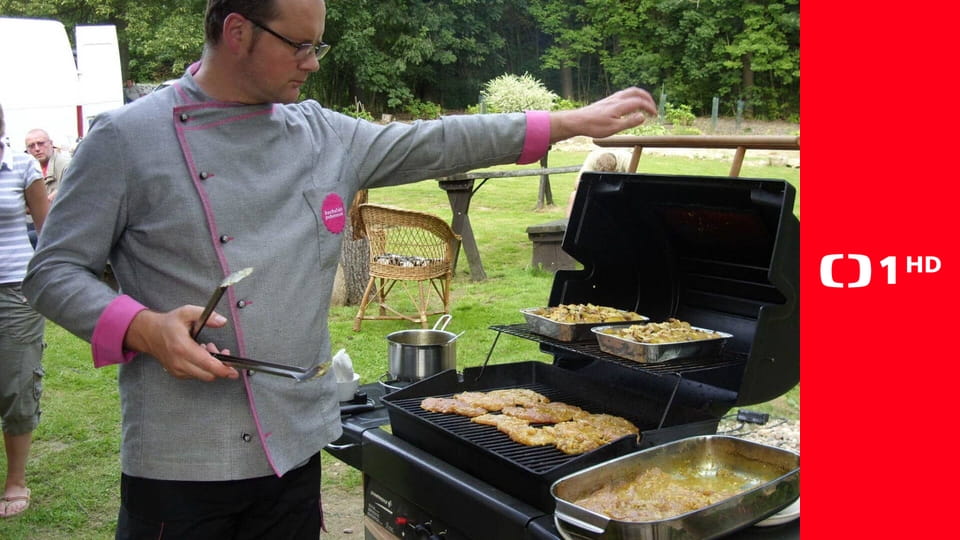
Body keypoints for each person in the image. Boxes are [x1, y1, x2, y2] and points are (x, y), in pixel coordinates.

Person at [23, 0, 657, 537]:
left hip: (295, 447)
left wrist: (568, 122)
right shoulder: (128, 138)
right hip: (183, 460)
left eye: (318, 46)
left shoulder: (320, 133)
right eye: (301, 46)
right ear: (238, 32)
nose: (312, 62)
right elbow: (53, 272)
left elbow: (437, 140)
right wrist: (142, 328)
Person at [0, 102, 50, 519]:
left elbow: (48, 231)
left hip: (14, 290)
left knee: (15, 386)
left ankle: (15, 480)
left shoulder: (21, 167)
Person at [566, 148, 633, 216]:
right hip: (597, 190)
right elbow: (577, 184)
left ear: (615, 168)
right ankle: (568, 223)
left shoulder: (627, 158)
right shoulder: (592, 157)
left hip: (619, 191)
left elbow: (632, 184)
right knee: (573, 195)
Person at [24, 128, 71, 200]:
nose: (37, 149)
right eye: (31, 146)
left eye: (40, 143)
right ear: (27, 150)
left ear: (51, 143)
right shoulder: (26, 170)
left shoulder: (67, 166)